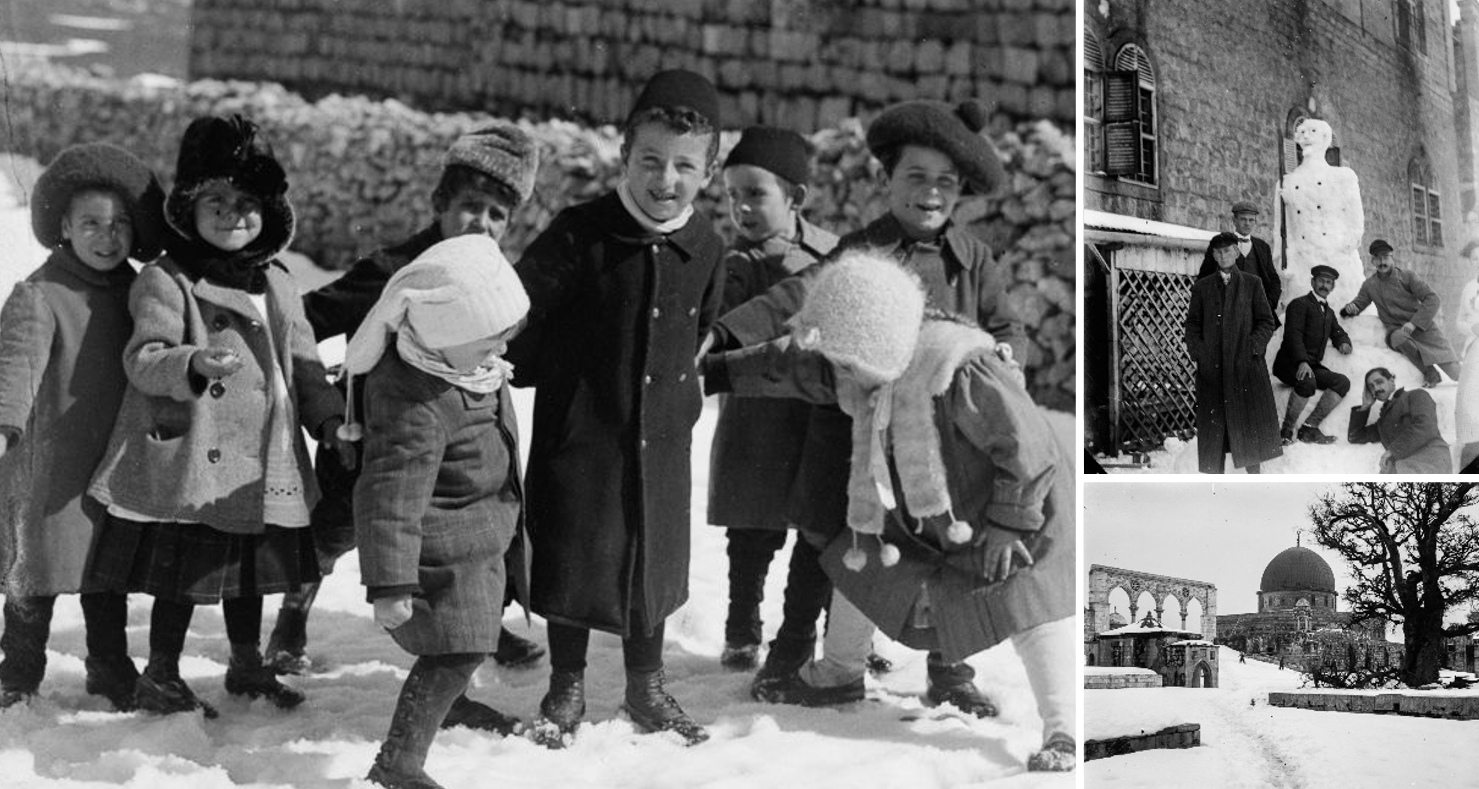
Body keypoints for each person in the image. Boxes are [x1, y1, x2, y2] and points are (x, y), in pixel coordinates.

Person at [702, 98, 1023, 717]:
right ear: (886, 180)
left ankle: (950, 666)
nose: (930, 194)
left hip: (940, 439)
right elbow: (801, 292)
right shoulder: (860, 249)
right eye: (915, 177)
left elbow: (1005, 324)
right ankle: (794, 650)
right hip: (853, 429)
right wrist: (729, 332)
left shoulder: (975, 260)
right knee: (825, 535)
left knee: (947, 548)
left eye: (945, 184)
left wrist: (1007, 355)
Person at [702, 250, 1075, 772]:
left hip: (1014, 511)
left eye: (847, 364)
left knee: (1028, 609)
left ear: (875, 344)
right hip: (931, 519)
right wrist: (713, 370)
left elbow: (1030, 449)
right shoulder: (862, 368)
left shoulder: (961, 370)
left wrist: (1008, 523)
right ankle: (839, 672)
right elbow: (792, 367)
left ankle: (1063, 729)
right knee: (866, 567)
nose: (840, 375)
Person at [86, 114, 352, 716]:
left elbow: (305, 364)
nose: (234, 214)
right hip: (195, 449)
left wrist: (330, 421)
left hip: (265, 451)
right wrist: (192, 362)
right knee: (185, 570)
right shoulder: (168, 280)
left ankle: (246, 663)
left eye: (248, 201)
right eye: (217, 200)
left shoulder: (279, 283)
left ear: (271, 212)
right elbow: (144, 358)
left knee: (251, 568)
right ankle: (161, 672)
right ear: (189, 208)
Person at [266, 123, 546, 678]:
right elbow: (305, 321)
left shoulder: (491, 277)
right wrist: (325, 397)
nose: (482, 224)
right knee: (331, 534)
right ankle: (290, 624)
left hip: (459, 446)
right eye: (471, 206)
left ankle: (480, 629)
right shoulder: (395, 272)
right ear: (440, 203)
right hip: (371, 442)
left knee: (470, 541)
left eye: (497, 215)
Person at [505, 69, 725, 747]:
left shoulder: (707, 244)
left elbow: (703, 329)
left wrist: (683, 401)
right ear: (624, 157)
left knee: (651, 555)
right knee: (574, 550)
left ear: (709, 169)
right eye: (650, 161)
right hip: (584, 428)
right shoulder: (582, 232)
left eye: (685, 166)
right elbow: (522, 311)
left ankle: (645, 686)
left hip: (661, 434)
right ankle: (565, 685)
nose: (666, 180)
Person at [346, 234, 531, 789]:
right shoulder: (416, 404)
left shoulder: (462, 367)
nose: (497, 354)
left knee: (465, 643)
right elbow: (389, 496)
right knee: (460, 648)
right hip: (441, 553)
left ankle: (453, 704)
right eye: (487, 343)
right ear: (443, 333)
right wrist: (391, 583)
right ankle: (397, 763)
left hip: (478, 537)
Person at [0, 143, 166, 710]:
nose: (107, 236)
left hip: (116, 459)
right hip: (51, 464)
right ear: (63, 227)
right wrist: (3, 424)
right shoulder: (41, 294)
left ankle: (110, 666)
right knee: (37, 570)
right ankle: (18, 669)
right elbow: (15, 365)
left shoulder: (142, 291)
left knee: (107, 574)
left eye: (120, 223)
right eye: (91, 223)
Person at [707, 126, 838, 672]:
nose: (741, 207)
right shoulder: (726, 262)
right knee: (752, 531)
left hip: (815, 413)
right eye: (733, 195)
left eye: (756, 194)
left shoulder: (830, 254)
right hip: (756, 417)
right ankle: (742, 627)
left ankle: (830, 632)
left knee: (821, 530)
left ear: (796, 198)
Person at [1185, 231, 1282, 473]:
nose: (1223, 255)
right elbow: (1192, 325)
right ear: (1213, 255)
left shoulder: (1252, 283)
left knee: (1249, 431)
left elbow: (1266, 322)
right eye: (1217, 252)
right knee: (1214, 434)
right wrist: (1200, 353)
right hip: (1213, 372)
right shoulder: (1202, 287)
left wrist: (1252, 349)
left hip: (1245, 369)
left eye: (1227, 250)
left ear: (1237, 252)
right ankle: (1214, 486)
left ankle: (1254, 481)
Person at [1340, 239, 1461, 388]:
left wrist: (1414, 323)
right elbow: (1359, 303)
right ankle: (1430, 372)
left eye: (1385, 257)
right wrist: (1349, 309)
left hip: (1423, 329)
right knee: (1399, 337)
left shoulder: (1407, 276)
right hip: (1398, 331)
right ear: (1372, 261)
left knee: (1457, 374)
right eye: (1378, 258)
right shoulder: (1370, 285)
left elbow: (1432, 299)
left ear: (1392, 258)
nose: (1382, 262)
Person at [1272, 264, 1352, 445]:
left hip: (1311, 366)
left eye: (1329, 282)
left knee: (1342, 382)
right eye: (1321, 281)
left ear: (1333, 287)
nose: (1324, 285)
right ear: (1312, 282)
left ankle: (1309, 427)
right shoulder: (1299, 305)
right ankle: (1286, 430)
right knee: (1308, 381)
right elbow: (1293, 335)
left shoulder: (1328, 312)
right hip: (1289, 364)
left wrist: (1343, 342)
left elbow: (1337, 331)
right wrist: (1302, 361)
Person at [1347, 366, 1451, 473]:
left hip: (1429, 461)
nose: (1376, 389)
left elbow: (1426, 426)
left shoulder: (1416, 395)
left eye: (1379, 382)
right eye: (1371, 387)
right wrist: (1365, 406)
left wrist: (1393, 450)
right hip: (1404, 468)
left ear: (1391, 381)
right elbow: (1355, 436)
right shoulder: (1383, 422)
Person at [1198, 201, 1281, 323]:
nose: (1247, 224)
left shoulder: (1263, 247)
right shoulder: (1220, 243)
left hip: (1256, 314)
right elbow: (1204, 277)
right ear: (1234, 220)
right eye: (1243, 219)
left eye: (1251, 220)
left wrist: (1268, 303)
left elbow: (1274, 280)